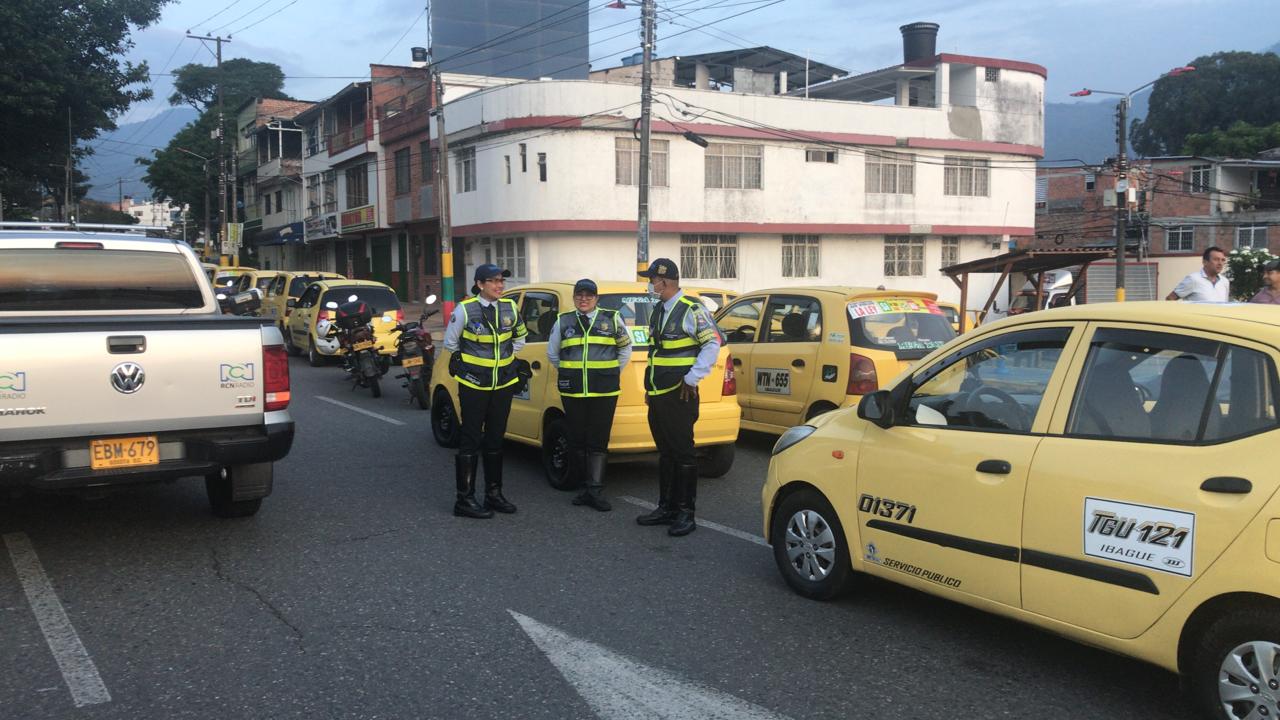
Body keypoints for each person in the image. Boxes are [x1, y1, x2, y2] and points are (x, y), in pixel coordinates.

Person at [634, 258, 721, 537]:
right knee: (666, 451)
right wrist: (649, 389)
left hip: (680, 393)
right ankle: (666, 507)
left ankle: (685, 512)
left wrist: (693, 377)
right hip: (659, 393)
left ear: (665, 281)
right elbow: (656, 352)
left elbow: (712, 343)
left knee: (683, 452)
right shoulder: (659, 310)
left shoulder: (691, 309)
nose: (649, 284)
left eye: (651, 280)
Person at [441, 264, 528, 519]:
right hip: (474, 386)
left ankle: (494, 494)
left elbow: (519, 339)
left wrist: (507, 363)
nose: (500, 285)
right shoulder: (465, 309)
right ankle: (464, 499)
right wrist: (470, 367)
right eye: (493, 281)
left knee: (495, 439)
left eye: (501, 281)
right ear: (480, 285)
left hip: (501, 385)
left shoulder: (510, 307)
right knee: (470, 440)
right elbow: (450, 343)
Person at [546, 278, 633, 511]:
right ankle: (585, 489)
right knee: (577, 440)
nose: (584, 299)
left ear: (596, 298)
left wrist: (610, 372)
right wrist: (572, 372)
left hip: (604, 390)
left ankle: (595, 490)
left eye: (589, 295)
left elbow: (625, 349)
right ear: (574, 298)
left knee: (598, 440)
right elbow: (553, 354)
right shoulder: (563, 321)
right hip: (573, 391)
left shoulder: (612, 319)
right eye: (579, 295)